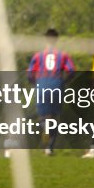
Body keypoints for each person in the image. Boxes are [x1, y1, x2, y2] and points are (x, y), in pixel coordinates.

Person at [26, 28, 75, 156]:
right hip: (56, 84)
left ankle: (45, 129)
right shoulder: (63, 55)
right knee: (54, 117)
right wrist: (64, 82)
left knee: (43, 117)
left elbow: (30, 73)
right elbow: (71, 71)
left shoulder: (38, 55)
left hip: (42, 84)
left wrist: (34, 83)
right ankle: (49, 148)